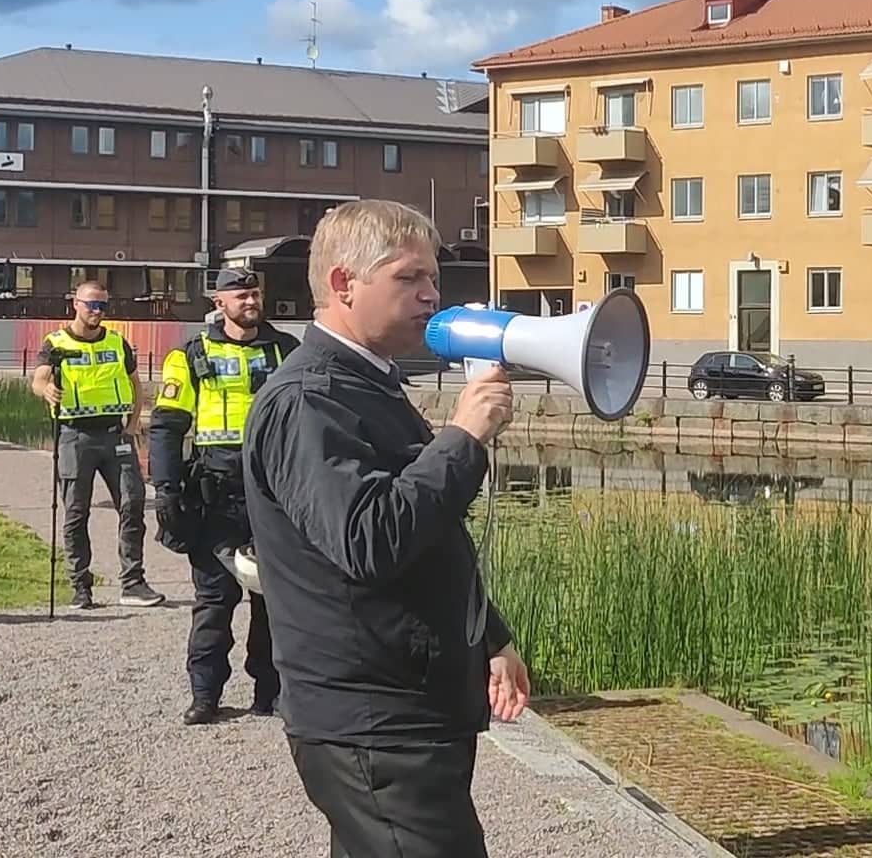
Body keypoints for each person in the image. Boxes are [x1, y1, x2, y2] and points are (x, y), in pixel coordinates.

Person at [243, 200, 528, 858]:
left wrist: (489, 635)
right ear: (344, 284)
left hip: (403, 711)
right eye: (409, 279)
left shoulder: (363, 385)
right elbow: (369, 539)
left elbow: (426, 539)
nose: (432, 295)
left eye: (433, 279)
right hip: (373, 721)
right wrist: (463, 438)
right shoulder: (307, 400)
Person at [149, 268, 302, 725]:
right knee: (214, 603)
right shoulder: (191, 354)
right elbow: (167, 426)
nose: (250, 301)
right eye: (240, 295)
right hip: (215, 494)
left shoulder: (286, 350)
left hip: (274, 491)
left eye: (255, 293)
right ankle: (205, 695)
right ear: (219, 303)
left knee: (274, 601)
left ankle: (269, 693)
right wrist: (167, 488)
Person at [30, 281, 163, 609]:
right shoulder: (56, 343)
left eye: (102, 305)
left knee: (133, 504)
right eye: (91, 304)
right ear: (75, 304)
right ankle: (80, 585)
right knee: (76, 512)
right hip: (75, 436)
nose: (97, 312)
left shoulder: (118, 343)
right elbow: (38, 379)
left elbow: (135, 386)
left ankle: (133, 582)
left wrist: (133, 425)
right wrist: (46, 390)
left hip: (114, 434)